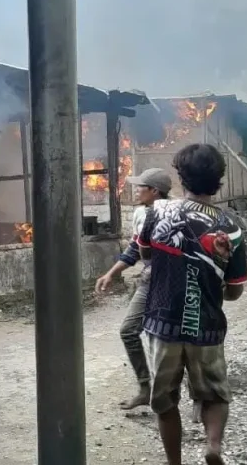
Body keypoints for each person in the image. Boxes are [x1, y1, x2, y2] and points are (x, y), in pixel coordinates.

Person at [137, 143, 247, 465]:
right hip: (206, 327)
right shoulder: (231, 228)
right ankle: (213, 446)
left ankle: (175, 462)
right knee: (215, 394)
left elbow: (145, 254)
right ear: (219, 179)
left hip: (162, 323)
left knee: (165, 402)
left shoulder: (156, 212)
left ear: (181, 177)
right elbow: (235, 291)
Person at [95, 168, 172, 409]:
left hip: (172, 284)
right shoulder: (143, 214)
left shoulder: (173, 215)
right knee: (129, 330)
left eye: (140, 186)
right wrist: (110, 274)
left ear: (154, 191)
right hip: (150, 281)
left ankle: (186, 397)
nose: (136, 190)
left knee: (172, 338)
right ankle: (145, 389)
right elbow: (133, 251)